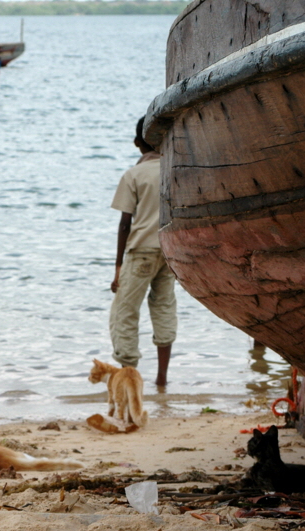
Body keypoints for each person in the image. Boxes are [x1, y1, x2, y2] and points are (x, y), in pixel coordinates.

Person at [109, 117, 177, 386]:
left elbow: (125, 223)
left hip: (141, 252)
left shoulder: (133, 175)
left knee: (124, 312)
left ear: (137, 143)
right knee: (164, 308)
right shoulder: (173, 169)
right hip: (169, 250)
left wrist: (117, 268)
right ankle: (162, 379)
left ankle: (129, 378)